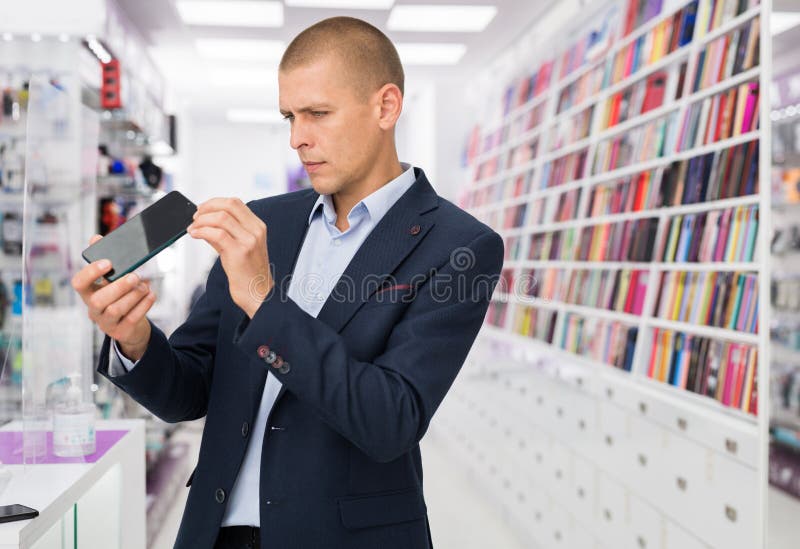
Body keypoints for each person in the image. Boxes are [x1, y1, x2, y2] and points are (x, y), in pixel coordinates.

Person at [71, 16, 503, 549]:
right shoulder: (264, 223)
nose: (298, 138)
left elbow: (389, 421)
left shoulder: (459, 246)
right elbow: (187, 391)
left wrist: (262, 300)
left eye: (318, 113)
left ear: (386, 106)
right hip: (216, 534)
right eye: (289, 117)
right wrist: (135, 340)